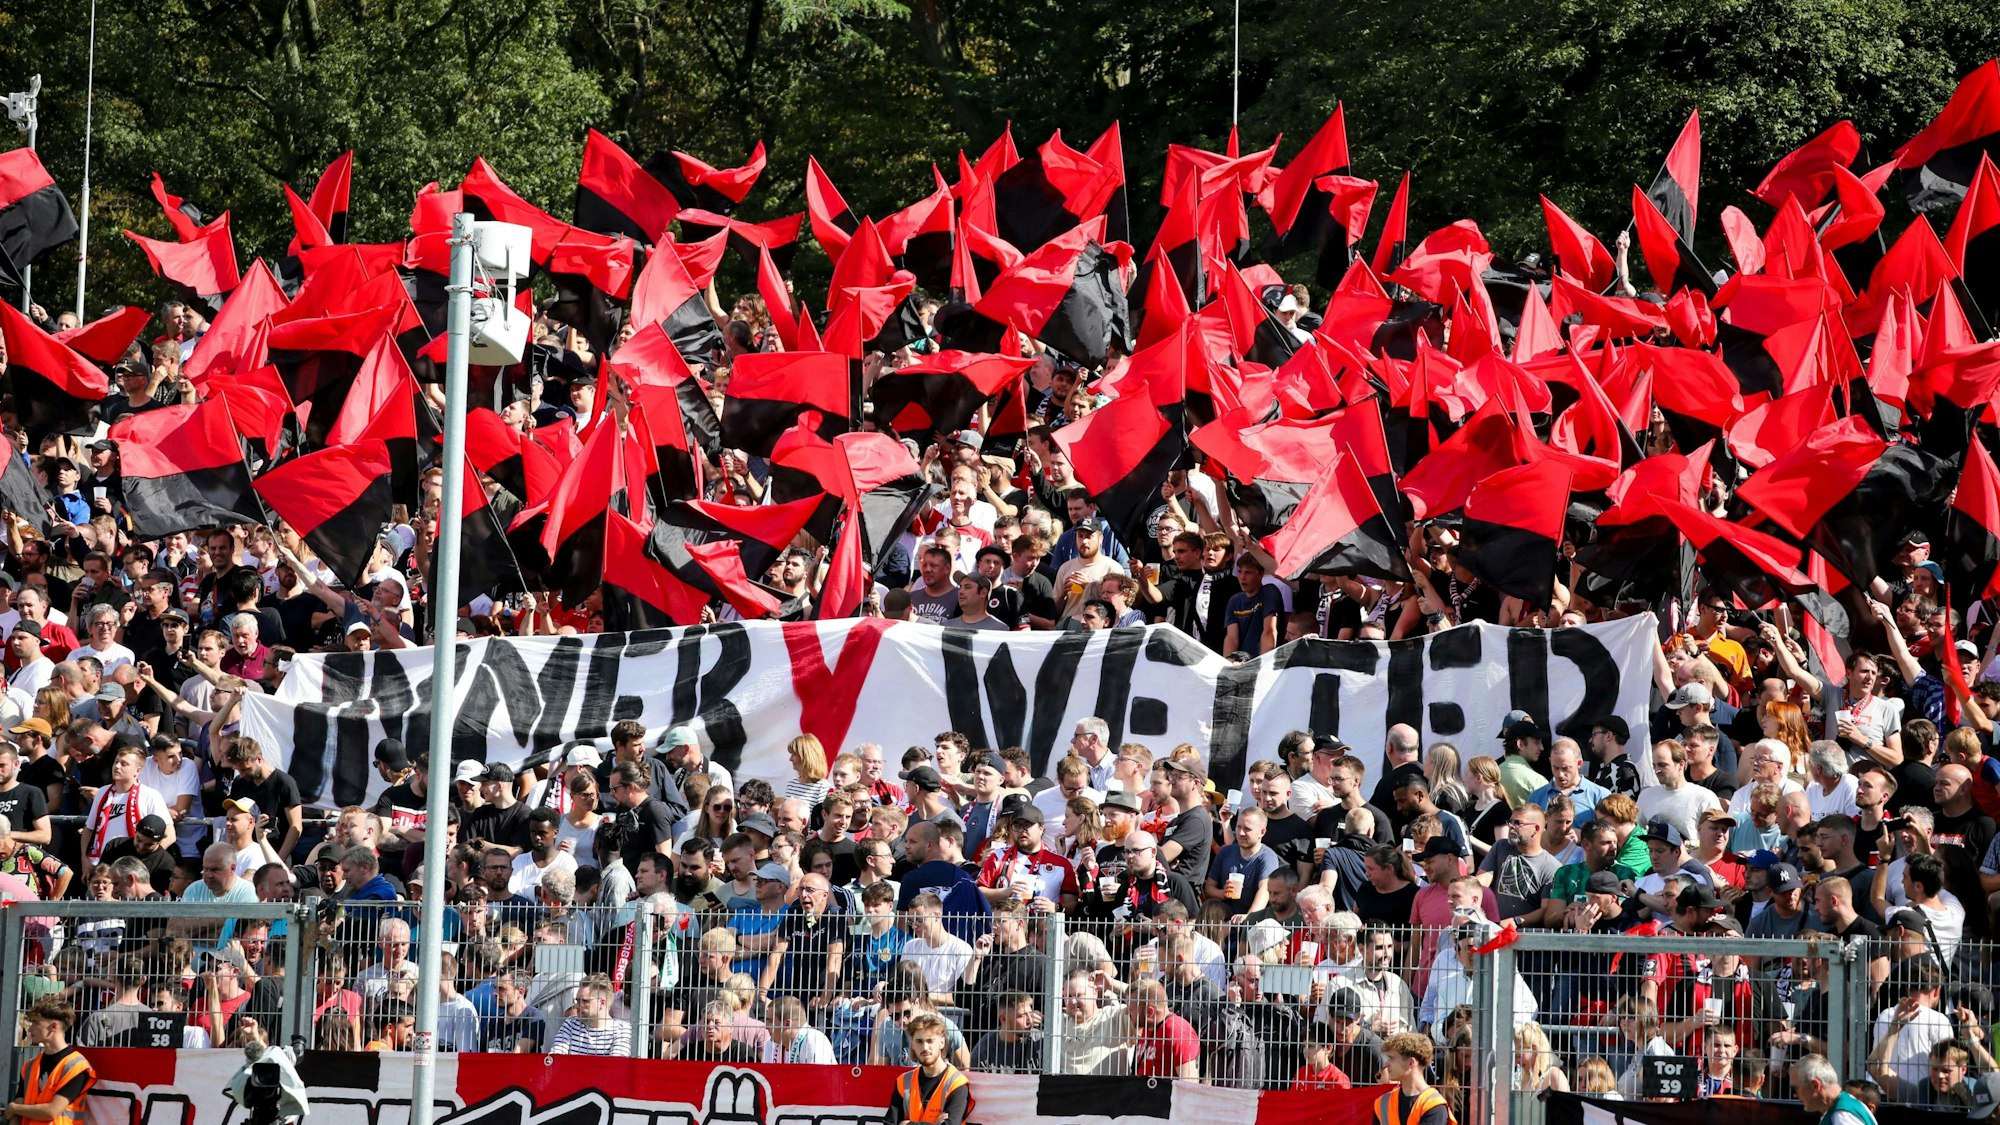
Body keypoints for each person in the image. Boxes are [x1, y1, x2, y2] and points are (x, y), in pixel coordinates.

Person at [7, 996, 94, 1125]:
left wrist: (15, 1108)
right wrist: (15, 1111)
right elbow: (16, 1113)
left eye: (36, 1023)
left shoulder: (76, 1066)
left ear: (53, 1026)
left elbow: (51, 1111)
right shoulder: (29, 1066)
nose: (30, 1029)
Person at [890, 1012, 973, 1125]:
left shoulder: (957, 1083)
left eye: (930, 1041)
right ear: (913, 1045)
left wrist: (909, 1124)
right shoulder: (904, 1081)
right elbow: (889, 1122)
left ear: (942, 1042)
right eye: (919, 1041)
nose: (925, 1047)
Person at [1375, 1032, 1450, 1125]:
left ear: (1411, 1062)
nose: (1386, 1064)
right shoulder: (1383, 1102)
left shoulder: (1434, 1105)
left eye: (1391, 1058)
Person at [1794, 1053, 1878, 1125]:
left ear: (1815, 1085)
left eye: (1796, 1088)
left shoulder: (1842, 1115)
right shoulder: (1841, 1109)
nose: (1794, 1094)